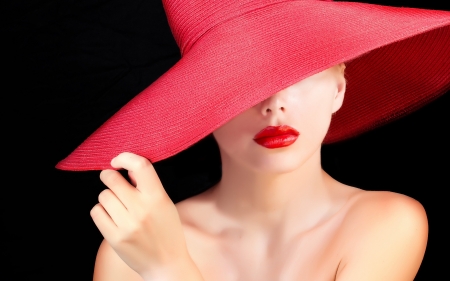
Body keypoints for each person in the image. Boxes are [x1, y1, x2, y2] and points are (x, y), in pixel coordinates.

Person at [56, 0, 450, 280]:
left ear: (339, 88)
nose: (274, 105)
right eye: (239, 81)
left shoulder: (385, 224)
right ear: (194, 105)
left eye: (300, 70)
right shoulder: (128, 251)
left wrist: (167, 270)